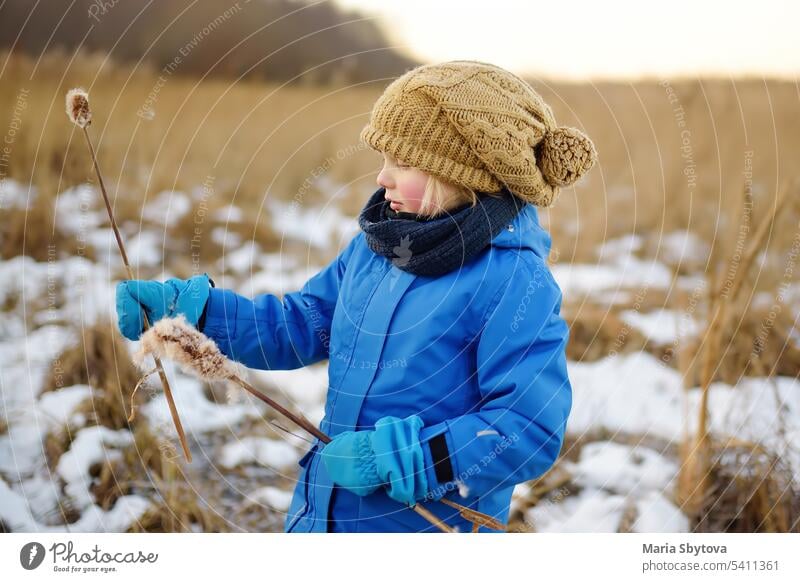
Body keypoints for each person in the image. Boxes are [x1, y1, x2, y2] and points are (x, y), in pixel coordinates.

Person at [115, 60, 598, 533]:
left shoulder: (513, 280)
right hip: (325, 514)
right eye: (383, 158)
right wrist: (195, 314)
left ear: (464, 176)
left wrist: (409, 459)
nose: (381, 177)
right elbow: (301, 324)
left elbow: (529, 427)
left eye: (404, 162)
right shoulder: (380, 248)